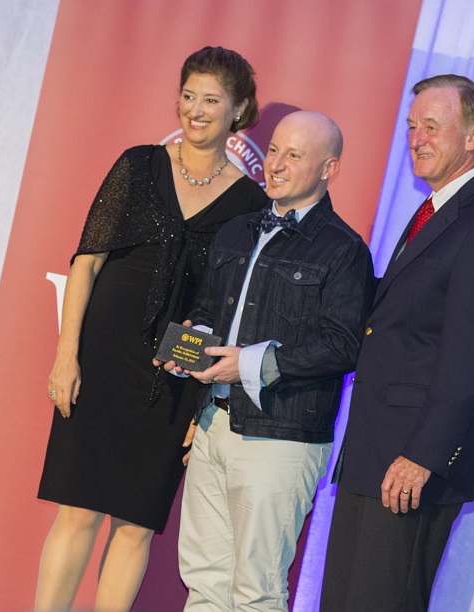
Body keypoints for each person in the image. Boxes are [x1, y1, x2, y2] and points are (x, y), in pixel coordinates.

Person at [35, 46, 269, 612]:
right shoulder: (138, 165)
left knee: (135, 524)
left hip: (173, 377)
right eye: (188, 96)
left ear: (238, 110)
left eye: (210, 100)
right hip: (100, 360)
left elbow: (232, 312)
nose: (195, 110)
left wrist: (203, 403)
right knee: (77, 511)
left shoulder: (250, 204)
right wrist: (67, 356)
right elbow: (86, 261)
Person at [320, 74, 474, 611]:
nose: (417, 139)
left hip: (411, 467)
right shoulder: (436, 209)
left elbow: (471, 361)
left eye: (432, 127)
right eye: (412, 127)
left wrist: (421, 457)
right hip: (374, 451)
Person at [158, 110, 375, 610]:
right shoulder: (236, 230)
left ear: (329, 169)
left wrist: (248, 364)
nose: (274, 164)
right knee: (204, 582)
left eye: (293, 155)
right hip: (213, 423)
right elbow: (208, 309)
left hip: (281, 439)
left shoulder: (344, 251)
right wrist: (192, 343)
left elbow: (343, 345)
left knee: (257, 591)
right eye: (273, 150)